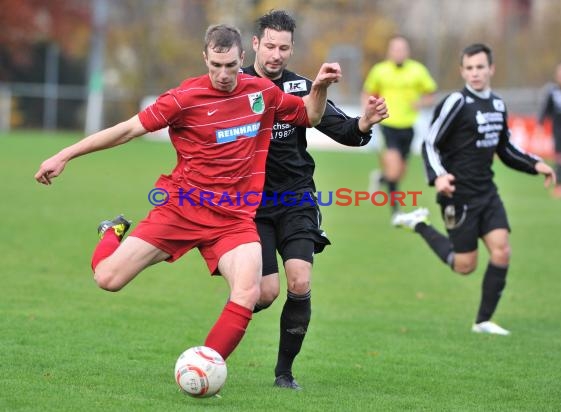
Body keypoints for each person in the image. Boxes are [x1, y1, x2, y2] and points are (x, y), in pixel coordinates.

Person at [34, 24, 341, 362]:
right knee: (107, 278)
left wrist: (321, 87)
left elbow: (310, 116)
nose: (223, 75)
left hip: (234, 218)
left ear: (242, 57)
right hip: (182, 209)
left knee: (249, 290)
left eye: (230, 66)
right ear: (205, 59)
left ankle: (205, 366)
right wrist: (64, 155)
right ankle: (111, 232)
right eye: (215, 66)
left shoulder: (262, 93)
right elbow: (127, 130)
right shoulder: (183, 98)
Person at [241, 10, 388, 390]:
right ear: (255, 44)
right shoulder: (235, 86)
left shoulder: (301, 89)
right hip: (251, 204)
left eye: (284, 48)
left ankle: (284, 374)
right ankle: (227, 324)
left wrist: (366, 123)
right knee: (265, 293)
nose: (276, 54)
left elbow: (344, 130)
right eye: (270, 46)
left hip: (296, 200)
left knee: (300, 281)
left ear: (292, 49)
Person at [392, 43, 555, 335]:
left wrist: (535, 165)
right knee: (464, 265)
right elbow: (430, 142)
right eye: (469, 68)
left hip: (487, 192)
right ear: (462, 71)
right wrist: (438, 176)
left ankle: (482, 322)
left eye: (480, 67)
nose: (475, 73)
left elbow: (504, 147)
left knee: (502, 251)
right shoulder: (456, 102)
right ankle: (419, 224)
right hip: (458, 195)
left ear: (491, 69)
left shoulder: (497, 103)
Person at [362, 34, 437, 216]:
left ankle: (380, 177)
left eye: (402, 49)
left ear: (407, 51)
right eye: (395, 49)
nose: (398, 52)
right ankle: (396, 211)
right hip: (387, 125)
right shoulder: (379, 71)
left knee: (399, 172)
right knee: (394, 170)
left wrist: (420, 103)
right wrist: (368, 113)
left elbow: (431, 94)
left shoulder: (418, 71)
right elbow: (367, 93)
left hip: (408, 127)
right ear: (389, 51)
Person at [537, 61, 561, 198]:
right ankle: (560, 185)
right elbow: (546, 110)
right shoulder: (552, 92)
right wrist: (540, 124)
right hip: (559, 131)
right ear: (557, 76)